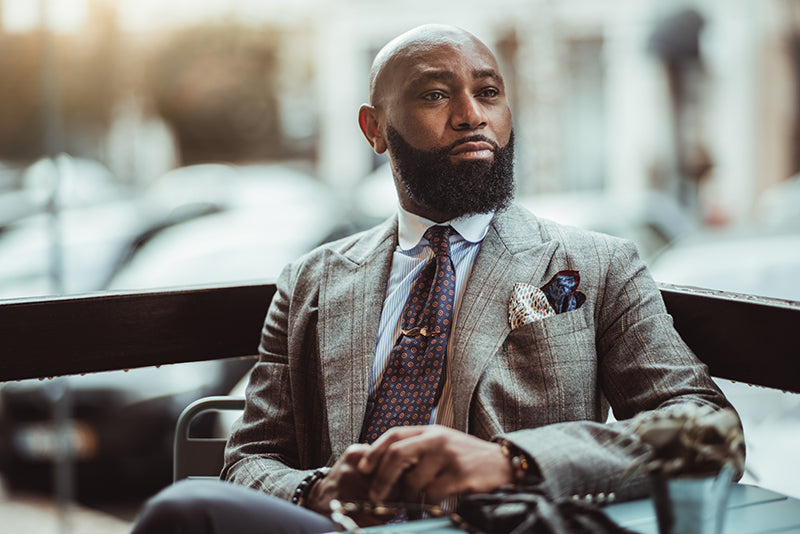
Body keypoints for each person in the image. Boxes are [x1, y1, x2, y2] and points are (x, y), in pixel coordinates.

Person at [131, 23, 738, 534]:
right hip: (342, 529)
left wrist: (513, 463)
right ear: (374, 129)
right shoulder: (312, 280)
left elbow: (709, 429)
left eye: (489, 92)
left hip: (499, 523)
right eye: (434, 95)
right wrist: (316, 490)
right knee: (185, 510)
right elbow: (251, 458)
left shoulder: (597, 264)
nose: (471, 116)